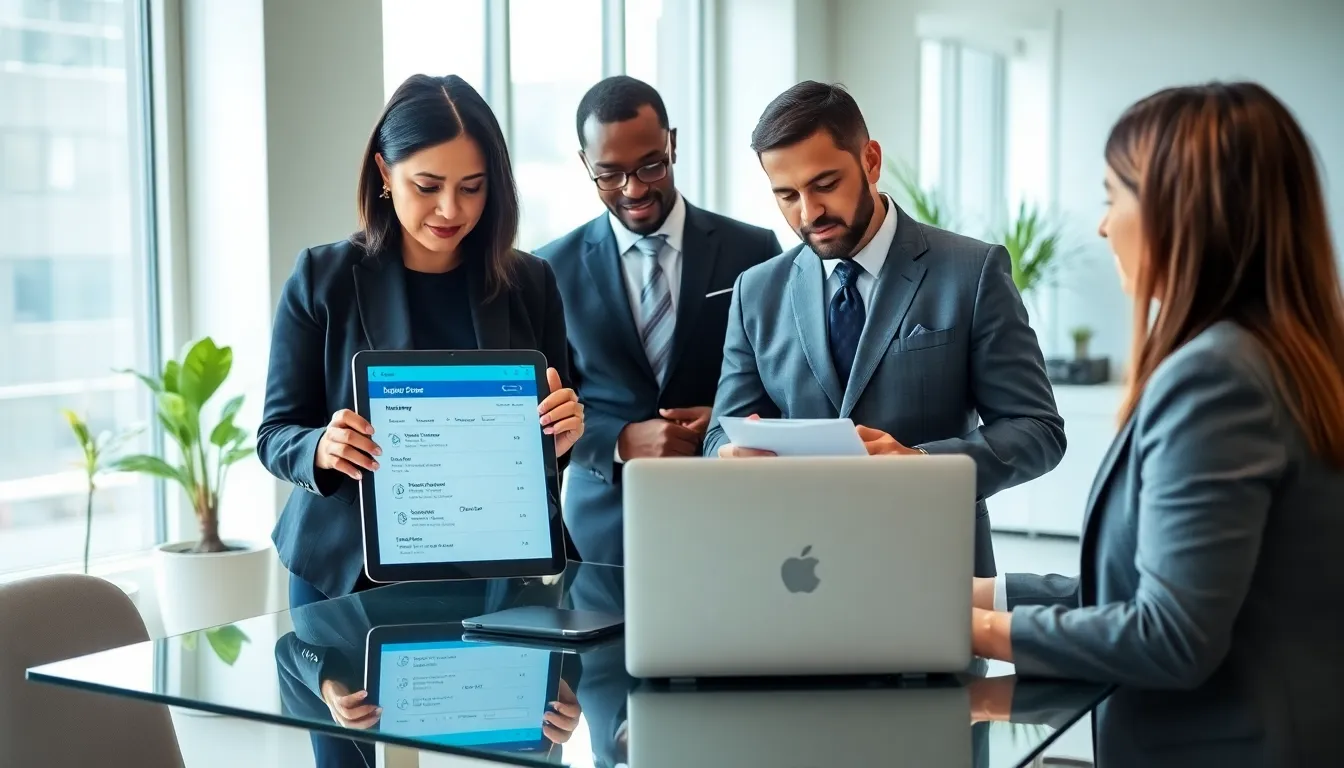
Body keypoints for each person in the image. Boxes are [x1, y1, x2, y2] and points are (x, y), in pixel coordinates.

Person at [970, 82, 1344, 766]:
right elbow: (1162, 585)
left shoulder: (1217, 377)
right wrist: (980, 596)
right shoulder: (1287, 355)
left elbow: (1171, 634)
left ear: (1183, 210)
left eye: (1115, 196)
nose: (1104, 225)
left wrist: (974, 631)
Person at [257, 74, 585, 766]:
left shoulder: (530, 282)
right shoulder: (322, 279)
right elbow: (276, 432)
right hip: (345, 581)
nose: (450, 209)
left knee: (517, 750)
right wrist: (322, 446)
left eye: (472, 187)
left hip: (498, 580)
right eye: (427, 184)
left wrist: (564, 427)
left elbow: (547, 433)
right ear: (383, 170)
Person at [703, 81, 1065, 577]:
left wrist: (922, 465)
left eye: (824, 184)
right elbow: (721, 429)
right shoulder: (756, 290)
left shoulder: (972, 271)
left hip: (932, 567)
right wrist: (728, 452)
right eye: (786, 195)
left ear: (870, 161)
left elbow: (1038, 431)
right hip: (793, 571)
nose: (808, 214)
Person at [536, 76, 782, 565]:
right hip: (604, 525)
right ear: (586, 164)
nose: (634, 189)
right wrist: (621, 441)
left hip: (728, 513)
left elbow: (783, 381)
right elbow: (543, 406)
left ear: (673, 143)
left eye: (652, 165)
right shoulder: (549, 269)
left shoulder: (753, 251)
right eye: (610, 174)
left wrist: (729, 422)